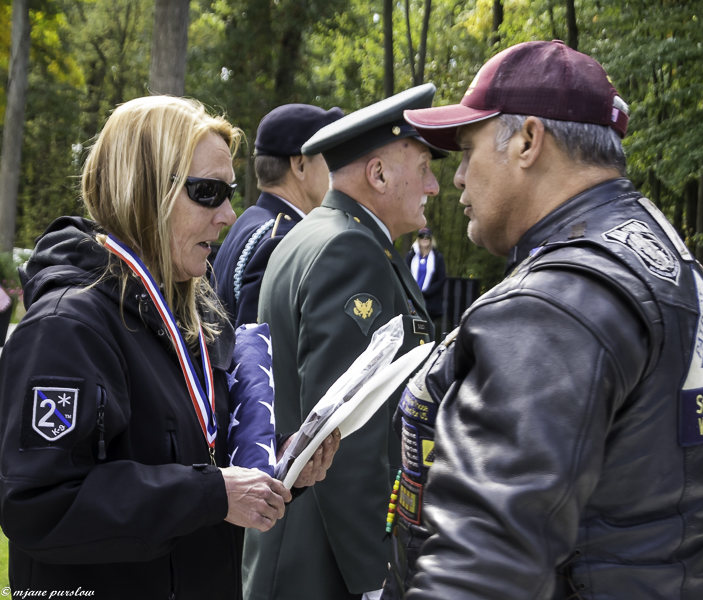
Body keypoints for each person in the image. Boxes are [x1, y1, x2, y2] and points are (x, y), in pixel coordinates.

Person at [384, 40, 703, 599]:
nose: (456, 179)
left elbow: (481, 568)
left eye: (469, 149)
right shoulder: (660, 255)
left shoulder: (557, 302)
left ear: (527, 141)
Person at [0, 96, 337, 599]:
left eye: (229, 192)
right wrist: (210, 494)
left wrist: (279, 464)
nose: (228, 213)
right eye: (208, 192)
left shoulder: (188, 314)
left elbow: (193, 451)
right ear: (144, 190)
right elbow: (40, 504)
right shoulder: (65, 327)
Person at [241, 84, 445, 600]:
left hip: (299, 548)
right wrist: (375, 577)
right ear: (377, 174)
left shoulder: (320, 233)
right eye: (423, 167)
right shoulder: (350, 250)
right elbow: (345, 435)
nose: (435, 186)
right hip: (322, 565)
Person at [212, 104, 343, 327]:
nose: (336, 171)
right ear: (300, 165)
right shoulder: (282, 241)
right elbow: (262, 354)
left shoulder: (252, 220)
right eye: (329, 159)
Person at [404, 227, 446, 329]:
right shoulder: (411, 256)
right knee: (411, 328)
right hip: (412, 300)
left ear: (431, 239)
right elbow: (404, 275)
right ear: (418, 239)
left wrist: (426, 293)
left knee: (427, 330)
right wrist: (412, 292)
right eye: (421, 236)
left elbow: (441, 279)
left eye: (427, 236)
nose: (424, 239)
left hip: (430, 302)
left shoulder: (437, 257)